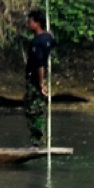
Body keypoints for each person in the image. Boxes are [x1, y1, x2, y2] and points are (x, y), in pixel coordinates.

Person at [24, 8, 56, 147]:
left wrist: (40, 83)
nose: (28, 24)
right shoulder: (48, 39)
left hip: (35, 79)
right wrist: (50, 35)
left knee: (33, 110)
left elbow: (40, 64)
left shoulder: (36, 43)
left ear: (37, 23)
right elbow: (53, 42)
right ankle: (39, 140)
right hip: (41, 78)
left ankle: (37, 141)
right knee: (38, 108)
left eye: (30, 22)